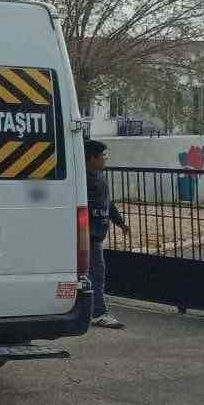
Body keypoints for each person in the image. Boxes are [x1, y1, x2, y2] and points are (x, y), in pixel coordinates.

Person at [85, 139, 129, 329]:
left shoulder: (99, 177)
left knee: (93, 273)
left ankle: (92, 309)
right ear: (91, 158)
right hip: (88, 235)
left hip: (97, 233)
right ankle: (98, 313)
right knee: (96, 273)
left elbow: (107, 203)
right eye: (102, 156)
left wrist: (120, 222)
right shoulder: (82, 179)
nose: (105, 159)